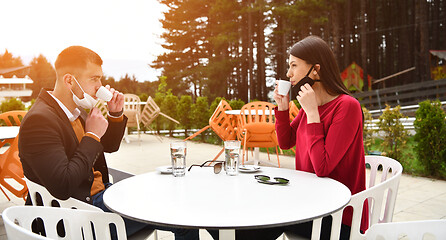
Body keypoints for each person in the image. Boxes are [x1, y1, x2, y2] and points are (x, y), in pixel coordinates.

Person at [18, 45, 199, 240]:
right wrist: (92, 136)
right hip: (80, 217)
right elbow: (63, 186)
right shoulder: (40, 120)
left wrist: (115, 114)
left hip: (102, 198)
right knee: (182, 213)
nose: (100, 86)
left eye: (101, 78)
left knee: (175, 196)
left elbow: (109, 146)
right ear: (70, 80)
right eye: (94, 79)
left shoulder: (74, 111)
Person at [273, 36, 368, 239]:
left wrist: (313, 115)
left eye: (294, 65)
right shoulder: (312, 106)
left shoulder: (347, 106)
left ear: (315, 69)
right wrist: (282, 109)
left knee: (267, 216)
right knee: (262, 208)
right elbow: (285, 142)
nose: (288, 74)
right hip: (311, 206)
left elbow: (322, 168)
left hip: (340, 218)